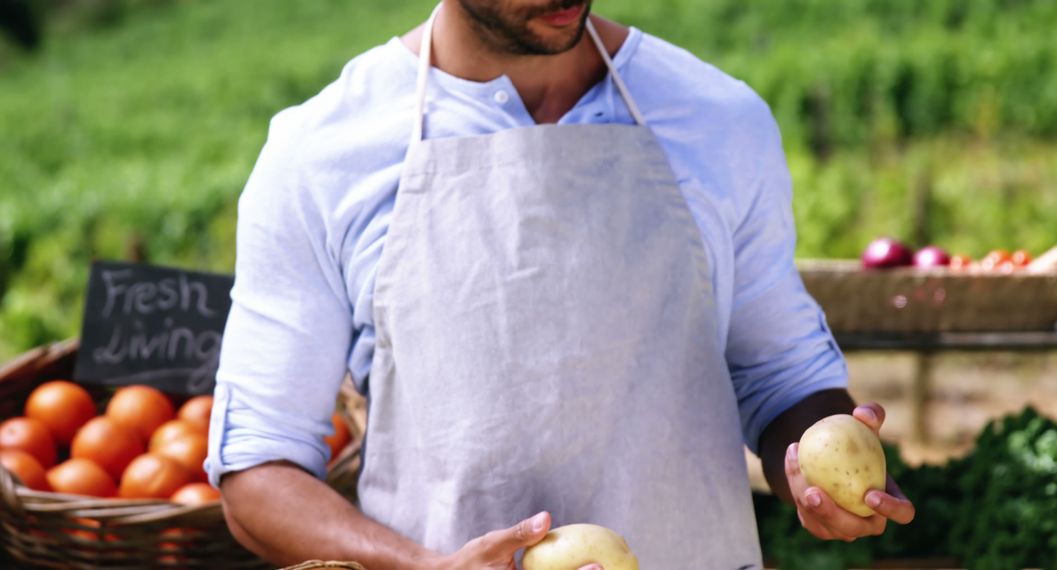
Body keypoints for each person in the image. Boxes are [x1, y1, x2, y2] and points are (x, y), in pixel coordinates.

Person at [205, 1, 916, 568]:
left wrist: (816, 464)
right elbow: (258, 474)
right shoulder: (319, 155)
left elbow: (781, 373)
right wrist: (419, 567)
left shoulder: (717, 120)